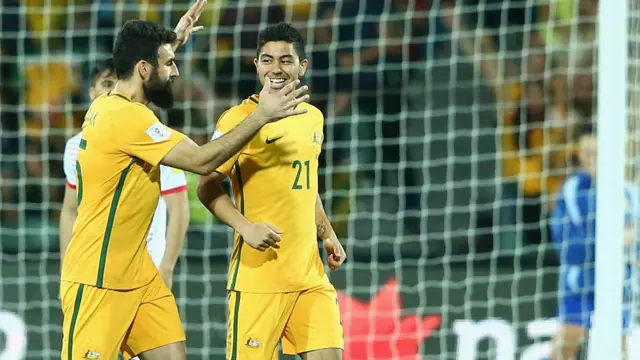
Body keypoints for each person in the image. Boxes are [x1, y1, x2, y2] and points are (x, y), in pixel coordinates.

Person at [59, 1, 310, 358]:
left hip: (139, 274)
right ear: (145, 69)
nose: (175, 72)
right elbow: (202, 161)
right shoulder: (127, 120)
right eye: (169, 64)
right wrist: (261, 116)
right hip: (99, 278)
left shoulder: (113, 105)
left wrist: (171, 42)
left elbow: (143, 69)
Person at [197, 22, 347, 360]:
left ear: (302, 66)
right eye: (267, 60)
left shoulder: (312, 116)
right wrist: (245, 227)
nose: (276, 69)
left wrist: (327, 232)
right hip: (258, 279)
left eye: (285, 60)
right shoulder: (238, 119)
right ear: (256, 65)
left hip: (310, 276)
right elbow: (206, 187)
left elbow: (306, 182)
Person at [60, 58, 190, 288]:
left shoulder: (155, 138)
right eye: (107, 84)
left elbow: (178, 208)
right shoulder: (74, 147)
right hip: (93, 269)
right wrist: (65, 271)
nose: (113, 93)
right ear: (92, 93)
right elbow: (70, 210)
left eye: (117, 85)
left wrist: (167, 267)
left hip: (147, 268)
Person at [547, 127, 636, 359]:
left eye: (596, 153)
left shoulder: (629, 193)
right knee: (567, 344)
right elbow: (569, 246)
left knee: (619, 347)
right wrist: (612, 240)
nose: (591, 159)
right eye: (586, 153)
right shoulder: (573, 191)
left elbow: (634, 240)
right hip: (580, 281)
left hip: (618, 281)